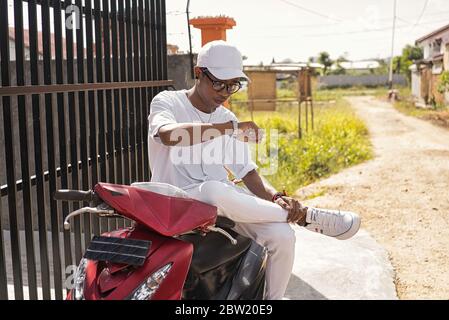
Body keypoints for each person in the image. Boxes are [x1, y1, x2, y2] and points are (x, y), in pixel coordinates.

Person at [147, 40, 361, 300]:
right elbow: (168, 135)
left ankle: (273, 299)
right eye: (219, 83)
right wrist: (229, 129)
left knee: (282, 236)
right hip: (177, 205)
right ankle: (304, 216)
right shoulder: (168, 102)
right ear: (198, 72)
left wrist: (275, 198)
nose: (225, 92)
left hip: (222, 209)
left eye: (233, 85)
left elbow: (247, 171)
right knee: (214, 190)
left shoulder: (227, 118)